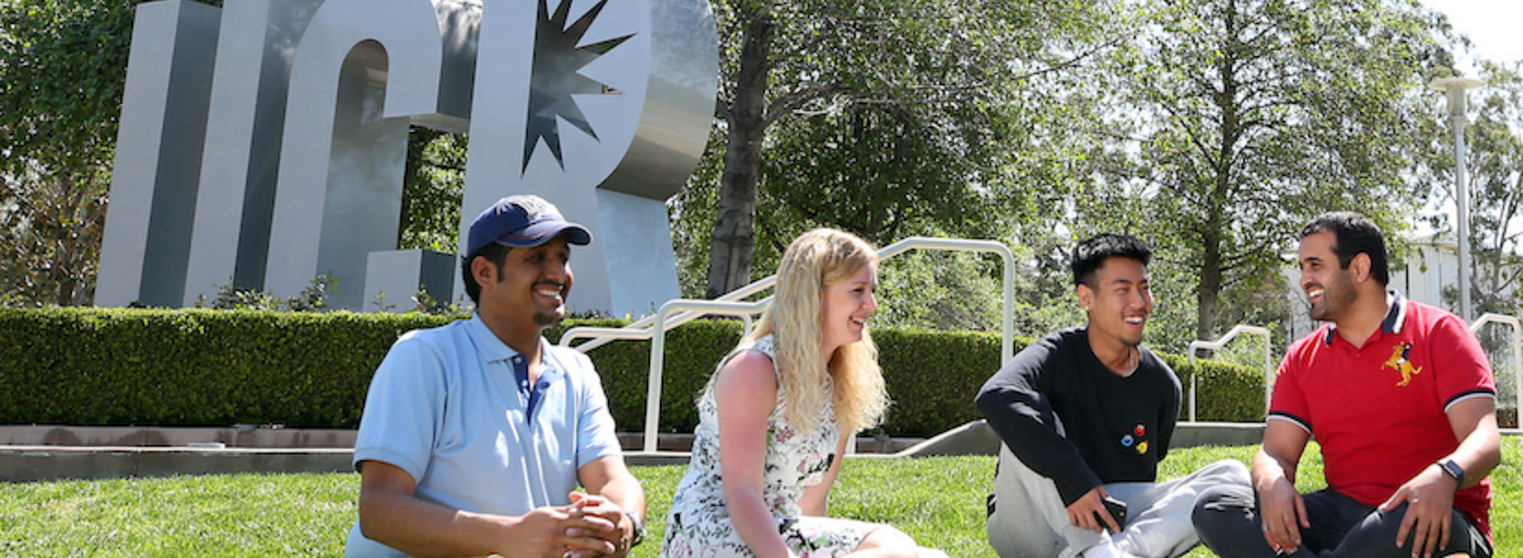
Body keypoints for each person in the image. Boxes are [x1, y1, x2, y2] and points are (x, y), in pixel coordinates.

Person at [349, 194, 647, 558]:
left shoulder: (577, 371)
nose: (557, 273)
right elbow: (379, 511)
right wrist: (506, 537)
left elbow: (612, 479)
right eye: (536, 257)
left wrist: (623, 522)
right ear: (484, 272)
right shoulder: (425, 357)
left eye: (563, 257)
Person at [1192, 212, 1502, 558]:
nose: (1304, 280)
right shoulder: (1301, 357)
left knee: (1406, 518)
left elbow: (1485, 439)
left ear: (1359, 268)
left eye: (1315, 265)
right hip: (1342, 517)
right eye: (1303, 267)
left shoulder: (1440, 332)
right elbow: (1276, 452)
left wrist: (1445, 474)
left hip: (1430, 517)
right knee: (1216, 507)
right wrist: (1272, 483)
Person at [662, 229, 949, 558]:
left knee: (927, 556)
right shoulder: (753, 369)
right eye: (858, 291)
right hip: (717, 529)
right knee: (898, 552)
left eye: (872, 290)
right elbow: (742, 494)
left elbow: (811, 503)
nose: (872, 305)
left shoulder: (841, 382)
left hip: (779, 526)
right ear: (813, 295)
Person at [975, 233, 1253, 558]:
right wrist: (1071, 476)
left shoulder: (1162, 385)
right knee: (1030, 419)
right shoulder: (1056, 355)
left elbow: (1145, 470)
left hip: (1107, 516)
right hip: (1030, 521)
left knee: (1231, 476)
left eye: (1144, 288)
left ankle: (1113, 553)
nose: (1139, 302)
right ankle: (1099, 552)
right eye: (1123, 290)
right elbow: (996, 395)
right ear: (1086, 298)